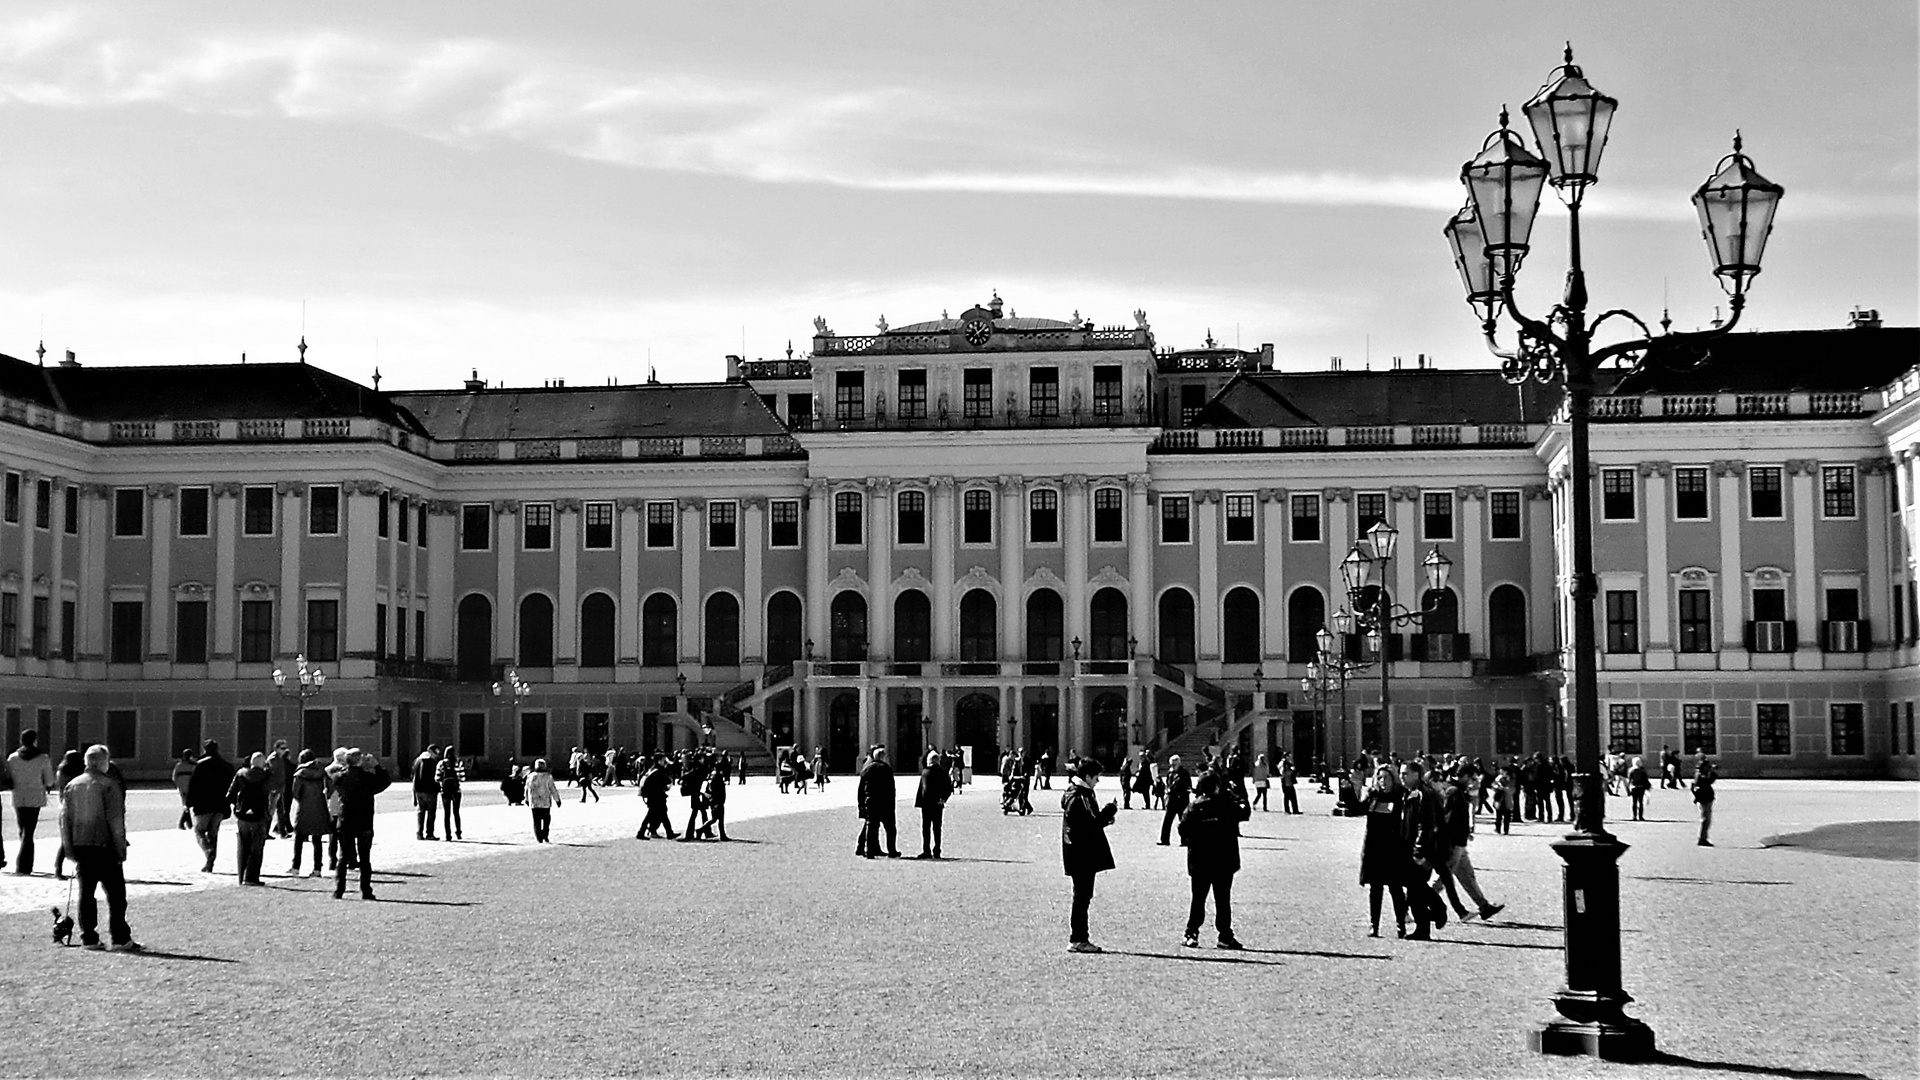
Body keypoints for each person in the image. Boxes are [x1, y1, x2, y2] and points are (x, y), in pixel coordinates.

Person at [59, 745, 139, 951]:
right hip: (105, 847)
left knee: (86, 894)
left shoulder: (72, 785)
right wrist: (121, 847)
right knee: (116, 896)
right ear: (104, 762)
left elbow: (64, 820)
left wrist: (68, 847)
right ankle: (120, 937)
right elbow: (115, 820)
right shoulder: (109, 785)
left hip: (81, 846)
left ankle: (89, 937)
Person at [1180, 757, 1249, 949]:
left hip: (1200, 859)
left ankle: (1191, 932)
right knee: (1223, 899)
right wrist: (1239, 795)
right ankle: (1225, 935)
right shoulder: (1227, 803)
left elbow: (1183, 829)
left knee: (1198, 898)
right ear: (1218, 786)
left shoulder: (1194, 806)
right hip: (1224, 859)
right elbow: (1245, 814)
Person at [1061, 757, 1118, 953]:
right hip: (1082, 853)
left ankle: (1078, 937)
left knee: (1082, 896)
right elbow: (1092, 823)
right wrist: (1109, 811)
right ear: (1087, 777)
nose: (1098, 781)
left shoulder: (1073, 792)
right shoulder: (1081, 796)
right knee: (1082, 897)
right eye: (1096, 778)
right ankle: (1078, 938)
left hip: (1075, 851)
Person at [1432, 767, 1504, 922]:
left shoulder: (1458, 791)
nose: (1474, 782)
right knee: (1443, 879)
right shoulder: (1454, 791)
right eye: (1473, 779)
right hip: (1454, 842)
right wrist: (1455, 837)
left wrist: (1466, 832)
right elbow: (1447, 818)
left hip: (1460, 841)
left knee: (1467, 875)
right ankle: (1409, 904)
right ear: (1464, 776)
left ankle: (1484, 906)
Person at [333, 748, 392, 900]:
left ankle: (339, 890)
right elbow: (385, 781)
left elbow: (335, 779)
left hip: (346, 819)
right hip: (364, 819)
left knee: (343, 857)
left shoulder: (340, 778)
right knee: (365, 858)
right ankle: (366, 890)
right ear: (360, 761)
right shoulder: (367, 778)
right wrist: (376, 765)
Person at [1359, 764, 1410, 938]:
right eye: (1380, 778)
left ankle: (1400, 925)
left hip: (1393, 848)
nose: (1383, 781)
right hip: (1375, 847)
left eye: (1386, 778)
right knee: (1375, 889)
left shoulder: (1400, 796)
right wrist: (1349, 790)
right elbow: (1357, 809)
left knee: (1395, 889)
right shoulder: (1373, 795)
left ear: (1393, 779)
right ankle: (1374, 925)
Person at [6, 730, 57, 875]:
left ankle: (22, 864)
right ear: (35, 740)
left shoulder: (13, 758)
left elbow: (8, 777)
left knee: (22, 829)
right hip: (35, 796)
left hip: (19, 795)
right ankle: (25, 864)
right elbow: (49, 780)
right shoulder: (42, 757)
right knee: (29, 831)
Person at [185, 740, 237, 874]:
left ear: (204, 750)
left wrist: (188, 804)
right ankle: (210, 862)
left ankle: (208, 852)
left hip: (203, 805)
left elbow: (193, 786)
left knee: (199, 831)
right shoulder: (227, 766)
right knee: (214, 833)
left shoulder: (200, 766)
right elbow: (233, 788)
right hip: (220, 805)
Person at [225, 752, 272, 885]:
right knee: (257, 848)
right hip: (259, 815)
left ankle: (241, 876)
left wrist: (238, 805)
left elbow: (230, 795)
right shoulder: (266, 775)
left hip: (243, 815)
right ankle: (252, 877)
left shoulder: (241, 774)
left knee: (242, 845)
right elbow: (273, 791)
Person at [288, 749, 331, 877]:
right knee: (317, 840)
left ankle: (296, 866)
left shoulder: (300, 774)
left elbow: (295, 793)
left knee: (299, 838)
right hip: (319, 807)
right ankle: (317, 868)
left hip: (304, 807)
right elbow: (329, 789)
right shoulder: (322, 772)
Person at [857, 747, 900, 858]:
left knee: (872, 828)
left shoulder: (866, 769)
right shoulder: (886, 769)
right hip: (885, 802)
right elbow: (891, 789)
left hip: (871, 802)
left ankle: (870, 852)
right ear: (883, 757)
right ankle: (892, 850)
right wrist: (892, 804)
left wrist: (861, 805)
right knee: (890, 829)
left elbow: (861, 789)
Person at [914, 749, 952, 859]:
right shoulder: (942, 772)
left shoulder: (926, 772)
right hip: (938, 804)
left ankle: (926, 850)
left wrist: (921, 802)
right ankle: (937, 850)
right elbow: (948, 788)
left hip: (927, 804)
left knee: (926, 828)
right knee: (937, 828)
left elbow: (923, 790)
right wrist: (943, 799)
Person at [636, 754, 678, 839]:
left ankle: (668, 832)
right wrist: (667, 787)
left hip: (653, 797)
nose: (665, 762)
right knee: (654, 815)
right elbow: (663, 783)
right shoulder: (659, 771)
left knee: (659, 815)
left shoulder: (652, 769)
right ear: (659, 761)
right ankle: (641, 832)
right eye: (663, 760)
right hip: (657, 797)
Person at [1158, 754, 1192, 846]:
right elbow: (1168, 784)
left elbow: (1188, 786)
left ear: (1179, 763)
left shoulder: (1184, 773)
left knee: (1183, 821)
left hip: (1182, 800)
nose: (1173, 766)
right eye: (1171, 764)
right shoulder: (1170, 773)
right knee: (1167, 821)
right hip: (1172, 799)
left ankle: (1185, 840)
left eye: (1174, 764)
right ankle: (1164, 839)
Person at [525, 758, 560, 843]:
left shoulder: (531, 776)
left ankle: (539, 837)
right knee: (546, 819)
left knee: (536, 821)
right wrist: (557, 799)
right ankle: (545, 835)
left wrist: (526, 798)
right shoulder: (548, 776)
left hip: (534, 801)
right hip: (545, 801)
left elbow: (527, 788)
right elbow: (552, 788)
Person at [411, 744, 441, 840]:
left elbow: (413, 777)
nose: (437, 755)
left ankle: (419, 833)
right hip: (430, 790)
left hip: (419, 790)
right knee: (431, 813)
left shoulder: (418, 761)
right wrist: (437, 788)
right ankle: (429, 833)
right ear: (431, 752)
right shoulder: (432, 762)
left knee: (421, 812)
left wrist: (414, 792)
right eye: (436, 753)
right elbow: (435, 778)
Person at [268, 740, 296, 838]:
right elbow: (270, 773)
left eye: (285, 748)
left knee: (281, 810)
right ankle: (266, 832)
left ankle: (282, 832)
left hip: (281, 787)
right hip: (274, 788)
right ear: (276, 749)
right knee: (271, 810)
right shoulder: (273, 759)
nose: (285, 750)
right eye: (282, 748)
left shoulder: (280, 759)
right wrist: (273, 787)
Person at [436, 746, 464, 840]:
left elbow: (437, 778)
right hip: (456, 791)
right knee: (456, 812)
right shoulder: (458, 762)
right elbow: (462, 778)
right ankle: (458, 832)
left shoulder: (441, 763)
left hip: (445, 791)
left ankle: (448, 834)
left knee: (446, 814)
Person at [703, 756, 731, 841]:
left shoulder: (713, 774)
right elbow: (715, 789)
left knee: (716, 819)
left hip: (716, 800)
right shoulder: (717, 776)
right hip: (717, 800)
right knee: (717, 819)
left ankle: (722, 835)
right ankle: (701, 830)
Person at [1692, 756, 1718, 846]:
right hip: (1704, 799)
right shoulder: (1700, 775)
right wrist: (1712, 772)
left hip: (1706, 798)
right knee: (1705, 819)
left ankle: (1704, 837)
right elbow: (1708, 781)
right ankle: (1702, 838)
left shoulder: (1700, 774)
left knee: (1707, 819)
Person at [1627, 756, 1651, 822]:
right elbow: (1646, 779)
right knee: (1640, 802)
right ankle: (1640, 816)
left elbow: (1629, 780)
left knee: (1634, 802)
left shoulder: (1631, 770)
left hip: (1633, 787)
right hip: (1641, 787)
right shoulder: (1642, 770)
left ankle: (1634, 816)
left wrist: (1628, 788)